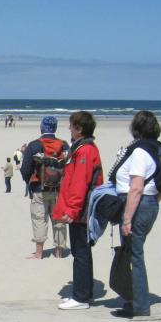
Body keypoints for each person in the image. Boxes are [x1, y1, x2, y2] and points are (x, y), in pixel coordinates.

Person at [110, 110, 161, 318]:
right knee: (133, 252)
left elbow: (136, 187)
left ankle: (140, 305)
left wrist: (127, 218)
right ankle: (134, 299)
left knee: (135, 254)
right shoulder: (158, 149)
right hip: (148, 204)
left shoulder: (141, 151)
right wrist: (152, 202)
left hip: (137, 205)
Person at [52, 111, 102, 310]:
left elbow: (80, 183)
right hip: (79, 208)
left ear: (79, 128)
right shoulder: (81, 148)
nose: (69, 129)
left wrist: (72, 210)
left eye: (71, 126)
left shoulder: (85, 150)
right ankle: (84, 293)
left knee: (80, 252)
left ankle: (80, 297)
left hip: (82, 210)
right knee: (82, 252)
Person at [21, 116, 69, 259]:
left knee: (39, 219)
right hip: (58, 189)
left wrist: (29, 181)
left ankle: (39, 253)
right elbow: (69, 166)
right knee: (58, 220)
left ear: (42, 127)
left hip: (39, 188)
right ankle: (59, 252)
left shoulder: (34, 145)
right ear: (55, 128)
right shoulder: (64, 145)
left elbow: (25, 169)